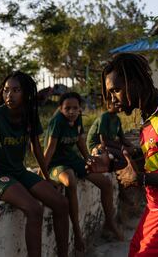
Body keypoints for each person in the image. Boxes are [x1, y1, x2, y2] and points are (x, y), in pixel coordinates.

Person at [88, 53, 158, 257]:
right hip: (154, 211)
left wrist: (141, 179)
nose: (112, 99)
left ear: (133, 83)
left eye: (116, 90)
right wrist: (113, 165)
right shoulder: (149, 118)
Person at [0, 71, 69, 257]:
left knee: (61, 203)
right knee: (34, 208)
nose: (9, 95)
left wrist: (46, 176)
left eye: (16, 90)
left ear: (26, 93)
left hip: (19, 171)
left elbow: (36, 148)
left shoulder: (29, 114)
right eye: (6, 90)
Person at [43, 92, 123, 253]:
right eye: (67, 108)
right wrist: (43, 177)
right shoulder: (57, 122)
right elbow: (49, 150)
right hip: (56, 164)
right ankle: (77, 233)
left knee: (105, 183)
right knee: (70, 180)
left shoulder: (77, 119)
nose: (71, 111)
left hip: (73, 160)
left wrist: (88, 160)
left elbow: (80, 142)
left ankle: (109, 222)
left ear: (80, 109)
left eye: (75, 108)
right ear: (60, 108)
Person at [86, 100, 136, 171]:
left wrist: (132, 146)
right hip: (97, 145)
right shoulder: (104, 118)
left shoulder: (117, 119)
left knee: (131, 151)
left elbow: (122, 138)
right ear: (109, 105)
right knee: (122, 155)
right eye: (116, 104)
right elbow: (104, 141)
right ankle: (117, 173)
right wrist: (122, 147)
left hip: (108, 144)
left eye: (119, 102)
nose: (119, 104)